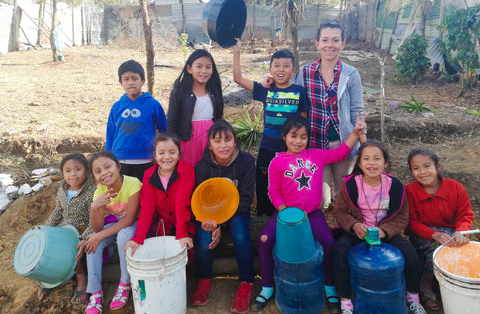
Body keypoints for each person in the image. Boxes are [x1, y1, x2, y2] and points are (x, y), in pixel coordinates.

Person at [255, 114, 366, 314]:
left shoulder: (316, 155)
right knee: (264, 240)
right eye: (293, 136)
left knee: (328, 243)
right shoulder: (277, 162)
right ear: (284, 137)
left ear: (308, 139)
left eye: (303, 137)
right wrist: (284, 213)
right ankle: (267, 286)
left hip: (312, 215)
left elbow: (340, 153)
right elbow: (273, 191)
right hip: (286, 216)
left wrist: (356, 133)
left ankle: (330, 286)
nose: (298, 141)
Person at [265, 21, 366, 209]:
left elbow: (356, 113)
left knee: (344, 195)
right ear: (317, 43)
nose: (330, 45)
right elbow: (290, 91)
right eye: (325, 40)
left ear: (343, 44)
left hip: (343, 143)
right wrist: (270, 80)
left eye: (335, 40)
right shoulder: (306, 72)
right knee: (320, 199)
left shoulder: (351, 74)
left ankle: (343, 228)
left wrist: (365, 147)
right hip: (315, 147)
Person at [334, 141, 426, 314]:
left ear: (385, 163)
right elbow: (340, 213)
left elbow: (401, 217)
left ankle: (413, 297)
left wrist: (385, 231)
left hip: (385, 231)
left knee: (410, 253)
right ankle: (345, 301)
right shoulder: (351, 185)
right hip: (359, 232)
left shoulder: (395, 186)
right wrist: (354, 225)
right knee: (339, 250)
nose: (372, 163)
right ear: (359, 164)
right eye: (366, 159)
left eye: (377, 158)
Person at [233, 39, 308, 216]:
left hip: (290, 149)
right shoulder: (265, 89)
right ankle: (263, 218)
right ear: (270, 70)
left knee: (289, 183)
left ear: (293, 71)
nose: (281, 69)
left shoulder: (299, 91)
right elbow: (238, 78)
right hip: (267, 147)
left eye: (286, 66)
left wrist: (303, 149)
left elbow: (304, 124)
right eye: (277, 65)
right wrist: (237, 53)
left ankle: (287, 216)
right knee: (264, 182)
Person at [191, 120, 255, 314]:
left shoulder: (246, 162)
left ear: (235, 142)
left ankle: (246, 283)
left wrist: (223, 221)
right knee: (203, 238)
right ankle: (204, 280)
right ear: (209, 145)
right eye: (217, 141)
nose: (223, 145)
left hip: (237, 212)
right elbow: (199, 202)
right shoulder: (202, 167)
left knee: (241, 234)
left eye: (228, 139)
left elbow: (245, 199)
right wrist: (213, 223)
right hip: (210, 215)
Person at [406, 147, 474, 311]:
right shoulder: (410, 191)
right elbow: (410, 222)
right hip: (423, 235)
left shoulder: (455, 188)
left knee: (462, 251)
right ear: (411, 171)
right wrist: (434, 234)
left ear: (438, 166)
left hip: (452, 233)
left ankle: (456, 283)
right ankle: (426, 284)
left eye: (427, 166)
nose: (422, 172)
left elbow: (465, 215)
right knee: (437, 250)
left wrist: (461, 231)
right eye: (416, 168)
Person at [83, 152, 141, 314]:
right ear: (94, 176)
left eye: (108, 166)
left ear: (118, 167)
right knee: (92, 244)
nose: (104, 173)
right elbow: (97, 228)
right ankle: (95, 292)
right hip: (116, 226)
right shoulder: (99, 192)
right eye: (98, 171)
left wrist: (99, 235)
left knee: (123, 235)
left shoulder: (132, 183)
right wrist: (95, 207)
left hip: (135, 225)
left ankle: (124, 283)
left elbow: (129, 220)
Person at [37, 153, 96, 304]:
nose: (73, 174)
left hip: (83, 230)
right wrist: (46, 231)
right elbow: (58, 211)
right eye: (68, 170)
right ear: (62, 173)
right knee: (48, 246)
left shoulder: (91, 192)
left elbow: (94, 221)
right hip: (66, 230)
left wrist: (84, 238)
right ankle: (48, 277)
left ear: (87, 171)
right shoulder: (62, 190)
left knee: (72, 250)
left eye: (77, 169)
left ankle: (82, 280)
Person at [125, 133, 195, 255]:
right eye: (161, 153)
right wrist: (138, 238)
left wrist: (182, 234)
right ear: (155, 155)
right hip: (162, 227)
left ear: (179, 154)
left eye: (172, 152)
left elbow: (181, 202)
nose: (167, 157)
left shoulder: (187, 170)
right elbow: (147, 208)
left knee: (188, 254)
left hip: (186, 225)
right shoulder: (149, 174)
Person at [106, 59, 167, 182]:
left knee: (144, 196)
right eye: (126, 79)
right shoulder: (116, 107)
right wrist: (108, 159)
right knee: (124, 197)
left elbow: (164, 130)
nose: (131, 83)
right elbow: (110, 134)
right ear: (120, 82)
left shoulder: (153, 104)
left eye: (134, 78)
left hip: (146, 160)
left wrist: (161, 154)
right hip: (120, 162)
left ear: (142, 81)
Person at [167, 49, 224, 167]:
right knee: (188, 173)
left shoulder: (214, 92)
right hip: (187, 140)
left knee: (208, 172)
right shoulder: (180, 92)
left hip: (210, 140)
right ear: (189, 68)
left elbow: (219, 117)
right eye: (199, 66)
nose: (204, 71)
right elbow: (172, 121)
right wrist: (172, 146)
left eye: (208, 67)